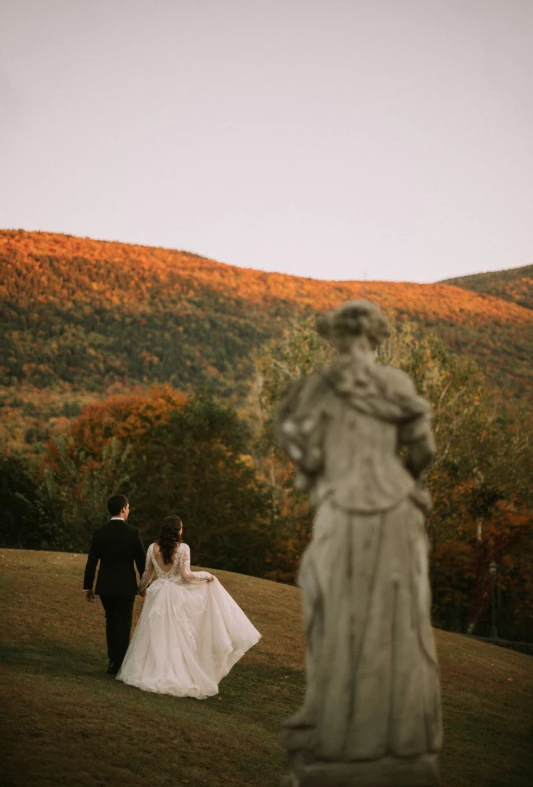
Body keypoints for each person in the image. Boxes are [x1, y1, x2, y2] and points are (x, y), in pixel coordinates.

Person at [276, 300, 442, 786]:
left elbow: (298, 446)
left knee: (333, 612)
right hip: (395, 511)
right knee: (399, 621)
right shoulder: (396, 385)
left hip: (344, 510)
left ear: (335, 338)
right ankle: (399, 741)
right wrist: (401, 483)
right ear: (376, 338)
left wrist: (318, 466)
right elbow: (424, 448)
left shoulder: (318, 389)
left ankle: (339, 730)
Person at [117, 515, 261, 698]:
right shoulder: (183, 548)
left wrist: (141, 588)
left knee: (156, 632)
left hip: (158, 592)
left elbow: (147, 573)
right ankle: (176, 672)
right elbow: (185, 575)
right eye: (181, 528)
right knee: (177, 634)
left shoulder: (152, 548)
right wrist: (205, 575)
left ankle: (151, 669)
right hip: (176, 595)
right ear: (178, 530)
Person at [83, 495, 146, 675]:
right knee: (124, 623)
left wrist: (88, 586)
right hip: (125, 586)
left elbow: (92, 561)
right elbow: (141, 563)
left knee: (111, 622)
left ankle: (113, 661)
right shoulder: (133, 532)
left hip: (106, 586)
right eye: (128, 507)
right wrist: (143, 586)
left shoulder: (100, 532)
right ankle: (121, 663)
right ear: (123, 509)